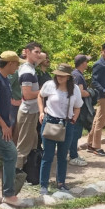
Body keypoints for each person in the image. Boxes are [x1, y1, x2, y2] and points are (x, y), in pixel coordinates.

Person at [38, 63, 83, 195]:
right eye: (57, 75)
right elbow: (40, 96)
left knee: (63, 156)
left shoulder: (74, 89)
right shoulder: (49, 85)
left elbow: (78, 106)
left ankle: (61, 182)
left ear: (68, 77)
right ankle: (43, 185)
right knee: (48, 155)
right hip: (50, 122)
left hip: (66, 124)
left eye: (62, 76)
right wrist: (41, 112)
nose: (59, 77)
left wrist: (74, 118)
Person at [0, 51, 24, 205]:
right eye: (16, 64)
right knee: (11, 153)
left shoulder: (6, 78)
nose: (17, 67)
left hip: (3, 124)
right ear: (10, 63)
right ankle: (9, 194)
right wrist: (4, 125)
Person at [15, 42, 44, 170]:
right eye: (36, 52)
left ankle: (28, 173)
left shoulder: (30, 66)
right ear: (27, 52)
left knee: (32, 143)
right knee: (23, 145)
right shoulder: (27, 70)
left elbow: (43, 56)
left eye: (39, 52)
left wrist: (28, 54)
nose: (39, 55)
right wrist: (44, 91)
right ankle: (16, 174)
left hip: (32, 111)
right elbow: (27, 95)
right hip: (27, 112)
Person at [87, 43, 105, 157]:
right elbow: (94, 81)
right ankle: (97, 147)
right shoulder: (99, 64)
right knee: (101, 121)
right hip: (103, 96)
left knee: (97, 119)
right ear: (101, 52)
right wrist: (104, 91)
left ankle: (90, 143)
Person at [68, 55, 91, 166]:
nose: (87, 64)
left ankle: (74, 154)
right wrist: (90, 93)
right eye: (86, 62)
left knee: (76, 133)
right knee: (75, 132)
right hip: (77, 109)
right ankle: (73, 156)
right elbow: (80, 92)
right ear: (82, 63)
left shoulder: (77, 74)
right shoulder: (77, 76)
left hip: (78, 108)